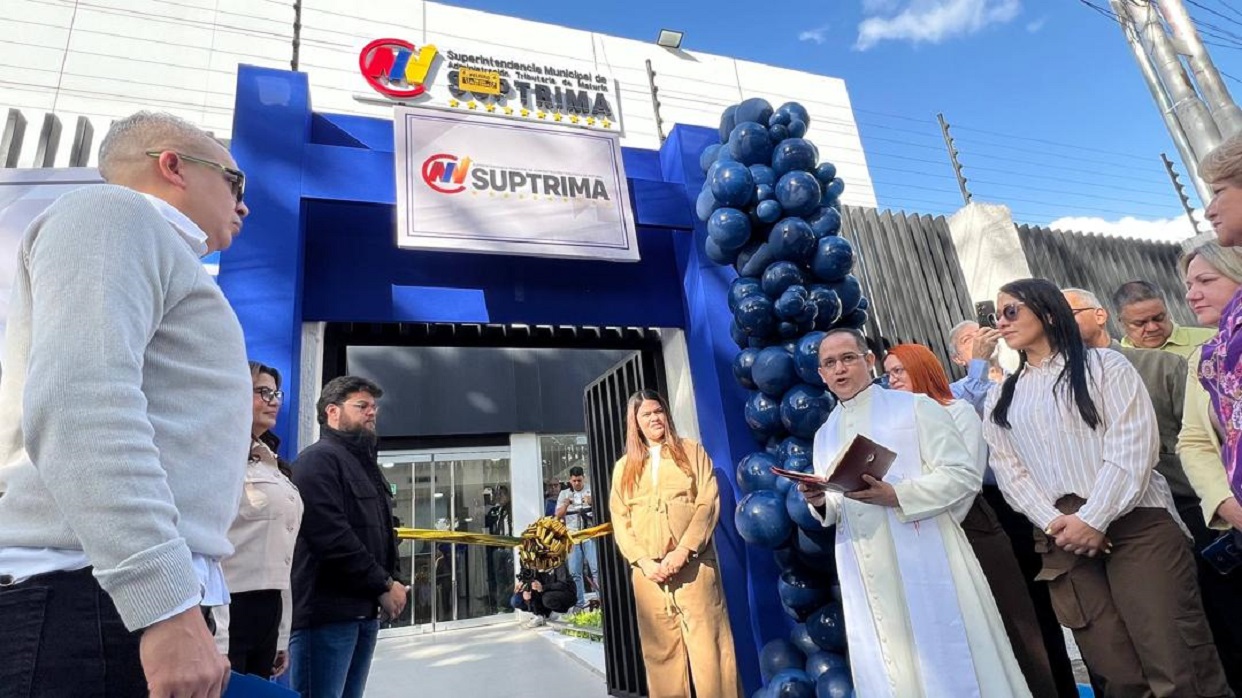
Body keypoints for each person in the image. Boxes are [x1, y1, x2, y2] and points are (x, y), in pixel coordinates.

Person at [0, 111, 250, 697]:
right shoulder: (114, 213)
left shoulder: (150, 243)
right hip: (95, 602)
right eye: (235, 183)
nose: (243, 205)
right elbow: (81, 405)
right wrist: (164, 605)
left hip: (110, 596)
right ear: (173, 166)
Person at [983, 278, 1229, 696]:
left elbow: (1134, 446)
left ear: (1048, 312)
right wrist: (1056, 523)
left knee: (1176, 660)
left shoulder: (1105, 366)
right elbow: (1009, 472)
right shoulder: (1002, 396)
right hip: (1061, 536)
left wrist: (1094, 518)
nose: (1001, 323)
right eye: (996, 315)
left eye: (1011, 311)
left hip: (1136, 522)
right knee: (1116, 672)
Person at [803, 328, 1031, 696]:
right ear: (821, 374)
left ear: (869, 360)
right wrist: (817, 499)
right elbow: (835, 504)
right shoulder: (824, 434)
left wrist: (899, 495)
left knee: (947, 656)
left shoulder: (915, 407)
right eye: (829, 363)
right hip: (863, 565)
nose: (839, 369)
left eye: (847, 358)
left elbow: (962, 475)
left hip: (925, 552)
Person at [883, 343, 1062, 698]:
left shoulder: (958, 412)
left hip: (968, 530)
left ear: (922, 368)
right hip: (923, 536)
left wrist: (925, 523)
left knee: (1012, 627)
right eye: (888, 374)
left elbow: (966, 483)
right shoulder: (893, 426)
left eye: (899, 370)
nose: (892, 380)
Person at [609, 389, 741, 698]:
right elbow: (620, 519)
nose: (654, 418)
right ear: (635, 423)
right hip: (649, 576)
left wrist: (683, 551)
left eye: (658, 411)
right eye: (646, 414)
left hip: (694, 568)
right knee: (661, 658)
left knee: (711, 654)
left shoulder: (691, 451)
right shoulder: (624, 467)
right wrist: (644, 562)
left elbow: (707, 502)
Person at [290, 376, 406, 698]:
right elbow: (331, 537)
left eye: (374, 407)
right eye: (362, 406)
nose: (372, 412)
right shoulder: (316, 461)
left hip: (364, 614)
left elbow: (384, 533)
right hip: (326, 618)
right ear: (332, 411)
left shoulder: (366, 467)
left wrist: (394, 580)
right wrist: (383, 584)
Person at [1177, 239, 1242, 690]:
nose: (1191, 294)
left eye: (1206, 280)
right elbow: (1195, 440)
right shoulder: (1206, 358)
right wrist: (1225, 502)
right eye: (1188, 284)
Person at [215, 362, 304, 679]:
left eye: (276, 393)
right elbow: (209, 549)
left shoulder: (271, 462)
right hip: (227, 608)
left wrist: (282, 633)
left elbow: (283, 554)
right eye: (262, 392)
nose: (273, 401)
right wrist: (218, 637)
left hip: (268, 610)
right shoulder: (218, 456)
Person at [1113, 280, 1216, 358]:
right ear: (1121, 322)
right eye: (1140, 323)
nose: (1152, 328)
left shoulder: (1213, 339)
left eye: (1159, 318)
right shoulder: (1113, 361)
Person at [556, 465, 599, 611]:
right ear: (570, 480)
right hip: (573, 536)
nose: (577, 483)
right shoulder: (564, 493)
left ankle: (601, 600)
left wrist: (592, 502)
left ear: (583, 478)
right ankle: (579, 604)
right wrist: (566, 504)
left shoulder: (591, 489)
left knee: (595, 569)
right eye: (574, 481)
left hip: (589, 535)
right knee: (575, 572)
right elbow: (557, 515)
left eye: (579, 480)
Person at [947, 319, 1003, 415]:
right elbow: (974, 412)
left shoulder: (1021, 373)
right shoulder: (954, 392)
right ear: (958, 359)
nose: (979, 339)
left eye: (981, 333)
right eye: (967, 339)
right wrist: (979, 361)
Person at [509, 563, 576, 628]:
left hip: (563, 592)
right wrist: (524, 586)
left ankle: (562, 611)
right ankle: (540, 615)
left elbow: (562, 585)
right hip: (543, 592)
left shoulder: (557, 561)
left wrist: (543, 587)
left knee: (547, 599)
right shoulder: (530, 560)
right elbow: (525, 575)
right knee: (516, 600)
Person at [485, 485, 515, 614]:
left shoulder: (512, 509)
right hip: (497, 548)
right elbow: (487, 522)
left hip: (509, 547)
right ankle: (502, 605)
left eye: (501, 494)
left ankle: (512, 603)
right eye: (497, 495)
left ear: (508, 495)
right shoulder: (496, 511)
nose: (499, 497)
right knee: (499, 579)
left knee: (511, 577)